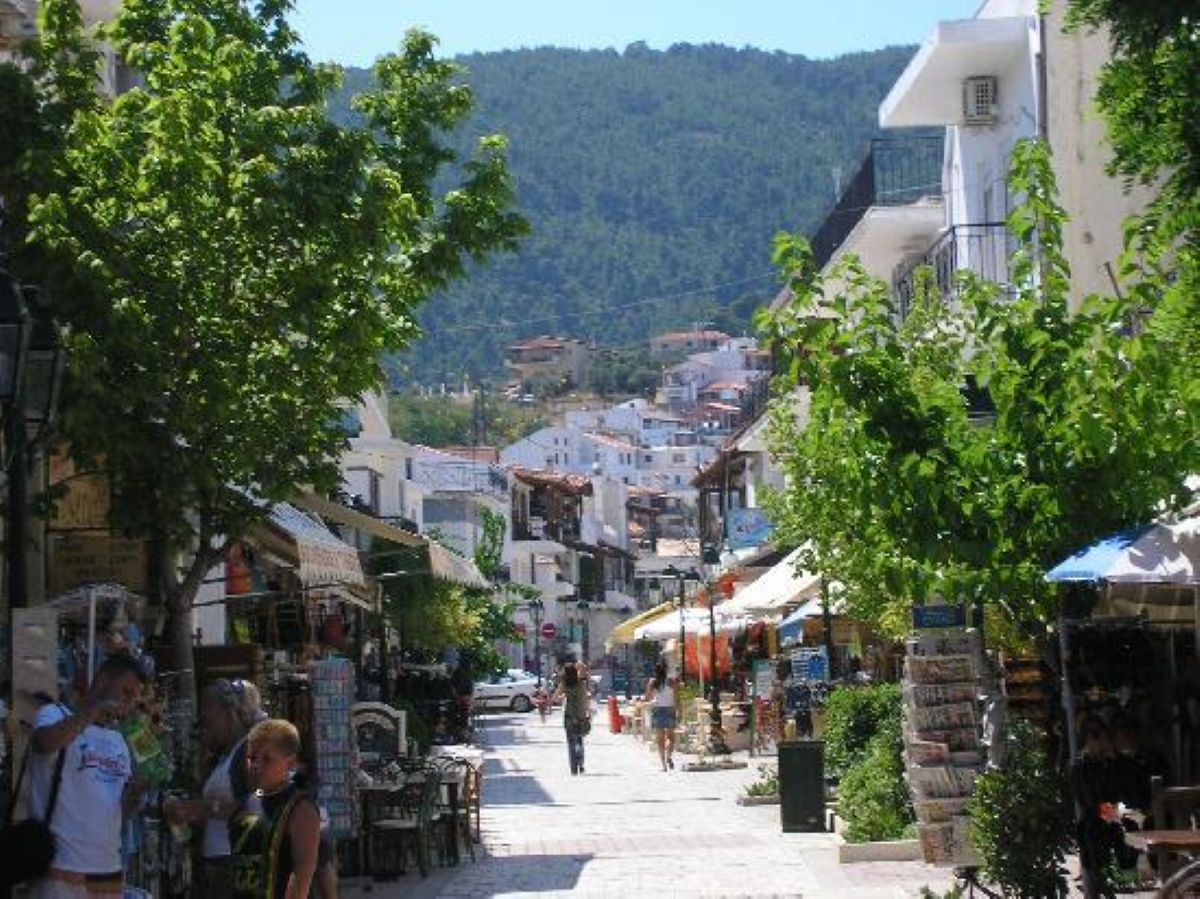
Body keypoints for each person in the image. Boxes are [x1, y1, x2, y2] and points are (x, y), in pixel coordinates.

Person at [28, 653, 147, 898]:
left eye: (135, 697)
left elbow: (117, 812)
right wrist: (93, 712)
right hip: (60, 870)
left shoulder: (119, 739)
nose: (129, 703)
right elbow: (44, 742)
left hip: (108, 873)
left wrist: (135, 797)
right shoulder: (54, 713)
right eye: (126, 692)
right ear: (102, 681)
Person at [164, 678, 264, 898]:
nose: (203, 720)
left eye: (207, 713)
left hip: (235, 865)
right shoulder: (224, 757)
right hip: (219, 866)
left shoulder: (246, 753)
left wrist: (206, 809)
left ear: (228, 714)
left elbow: (256, 809)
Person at [229, 718, 322, 899]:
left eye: (267, 759)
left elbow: (302, 874)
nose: (256, 765)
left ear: (290, 763)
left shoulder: (300, 809)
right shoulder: (245, 804)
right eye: (252, 758)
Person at [643, 661, 679, 771]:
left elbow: (647, 698)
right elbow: (676, 697)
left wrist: (651, 697)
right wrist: (679, 710)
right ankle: (669, 756)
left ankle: (663, 765)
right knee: (671, 738)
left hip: (657, 710)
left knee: (660, 740)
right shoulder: (671, 681)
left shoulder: (653, 682)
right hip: (670, 709)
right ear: (666, 670)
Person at [556, 663, 591, 775]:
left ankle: (573, 768)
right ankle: (581, 764)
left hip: (569, 715)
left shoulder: (564, 684)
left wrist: (563, 696)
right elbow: (585, 699)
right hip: (580, 714)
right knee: (579, 739)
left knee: (571, 742)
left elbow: (556, 697)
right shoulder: (581, 683)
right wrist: (588, 712)